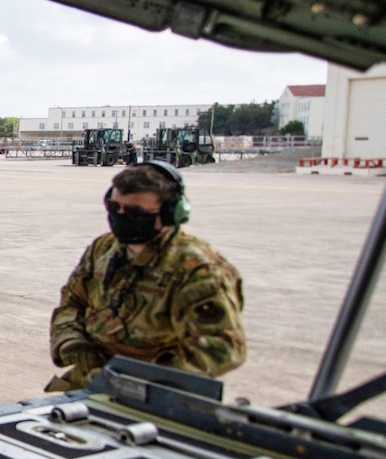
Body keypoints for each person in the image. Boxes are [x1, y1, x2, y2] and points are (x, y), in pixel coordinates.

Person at [47, 162, 246, 391]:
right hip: (92, 379)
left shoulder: (197, 269)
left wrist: (141, 380)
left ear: (170, 213)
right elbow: (72, 303)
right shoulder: (103, 249)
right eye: (114, 207)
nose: (121, 216)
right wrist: (78, 351)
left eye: (135, 213)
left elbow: (224, 347)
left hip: (155, 391)